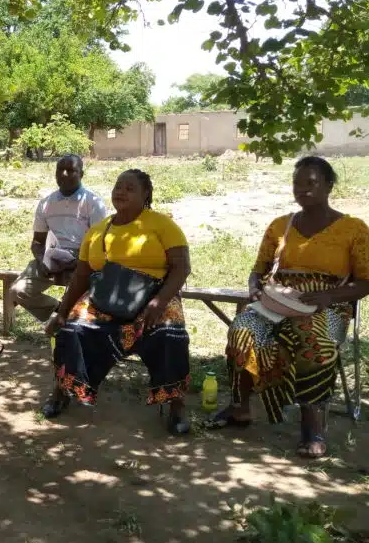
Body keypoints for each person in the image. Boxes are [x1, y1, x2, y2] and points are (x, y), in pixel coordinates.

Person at [214, 156, 369, 458]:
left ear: (328, 185)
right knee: (241, 331)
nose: (302, 189)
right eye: (297, 183)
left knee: (315, 344)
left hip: (326, 306)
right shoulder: (280, 225)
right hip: (277, 301)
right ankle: (240, 407)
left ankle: (312, 426)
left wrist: (330, 297)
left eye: (310, 183)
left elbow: (366, 281)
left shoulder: (353, 229)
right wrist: (254, 289)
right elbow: (257, 270)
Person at [44, 169, 192, 434]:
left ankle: (175, 402)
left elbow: (181, 267)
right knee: (73, 329)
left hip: (153, 297)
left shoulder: (162, 224)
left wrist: (160, 301)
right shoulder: (99, 230)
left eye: (129, 188)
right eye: (117, 187)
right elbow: (80, 276)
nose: (121, 192)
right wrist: (61, 312)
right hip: (106, 297)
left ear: (146, 193)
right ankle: (63, 389)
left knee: (170, 333)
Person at [9, 154, 108, 323]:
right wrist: (42, 260)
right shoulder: (46, 203)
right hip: (51, 257)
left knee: (90, 299)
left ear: (81, 174)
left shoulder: (93, 203)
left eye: (70, 170)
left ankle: (71, 317)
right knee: (17, 291)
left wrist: (79, 261)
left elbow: (100, 244)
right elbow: (38, 242)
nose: (64, 174)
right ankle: (59, 310)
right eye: (60, 170)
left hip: (83, 259)